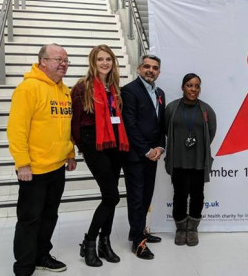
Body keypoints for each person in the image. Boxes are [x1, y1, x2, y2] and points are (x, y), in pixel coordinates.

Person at [7, 44, 77, 276]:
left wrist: (69, 153)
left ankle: (41, 255)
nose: (63, 64)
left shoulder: (64, 91)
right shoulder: (28, 89)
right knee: (29, 219)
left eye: (66, 60)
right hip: (34, 170)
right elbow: (16, 130)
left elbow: (64, 127)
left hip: (57, 168)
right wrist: (22, 163)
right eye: (58, 59)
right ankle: (24, 266)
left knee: (50, 216)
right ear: (42, 61)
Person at [71, 45, 128, 267]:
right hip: (93, 144)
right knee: (111, 196)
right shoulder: (82, 87)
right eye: (100, 59)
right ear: (93, 62)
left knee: (110, 197)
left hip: (114, 143)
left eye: (108, 59)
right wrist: (81, 148)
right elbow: (75, 122)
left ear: (113, 62)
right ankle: (89, 242)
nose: (105, 63)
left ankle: (105, 243)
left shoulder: (113, 88)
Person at [121, 55, 166, 259]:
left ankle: (139, 231)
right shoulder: (129, 91)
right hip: (136, 156)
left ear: (158, 72)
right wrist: (146, 150)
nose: (151, 70)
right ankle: (138, 242)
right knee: (137, 198)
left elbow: (160, 125)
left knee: (146, 196)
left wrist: (160, 147)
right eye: (147, 66)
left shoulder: (160, 93)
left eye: (155, 68)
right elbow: (129, 125)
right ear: (139, 69)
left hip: (152, 154)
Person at [164, 73, 217, 246]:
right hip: (178, 160)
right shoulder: (172, 108)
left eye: (197, 86)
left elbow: (211, 132)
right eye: (189, 85)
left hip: (198, 161)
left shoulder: (206, 110)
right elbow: (166, 130)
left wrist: (199, 147)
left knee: (197, 195)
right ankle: (180, 228)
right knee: (179, 195)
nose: (193, 89)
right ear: (182, 87)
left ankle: (192, 229)